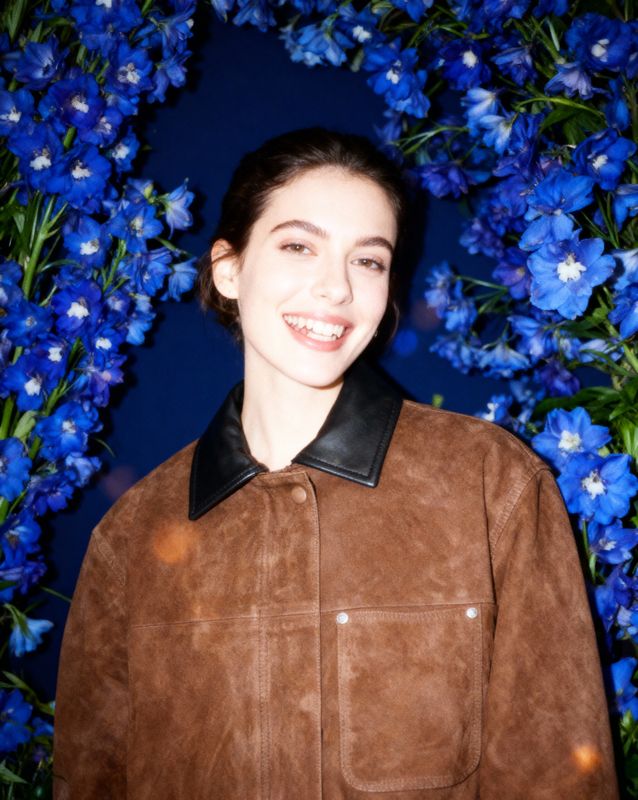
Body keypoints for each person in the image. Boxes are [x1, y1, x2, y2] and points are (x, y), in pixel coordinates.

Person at [53, 127, 619, 799]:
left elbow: (559, 776)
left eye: (369, 261)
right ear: (228, 268)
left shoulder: (492, 483)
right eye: (298, 246)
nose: (336, 289)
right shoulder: (130, 535)